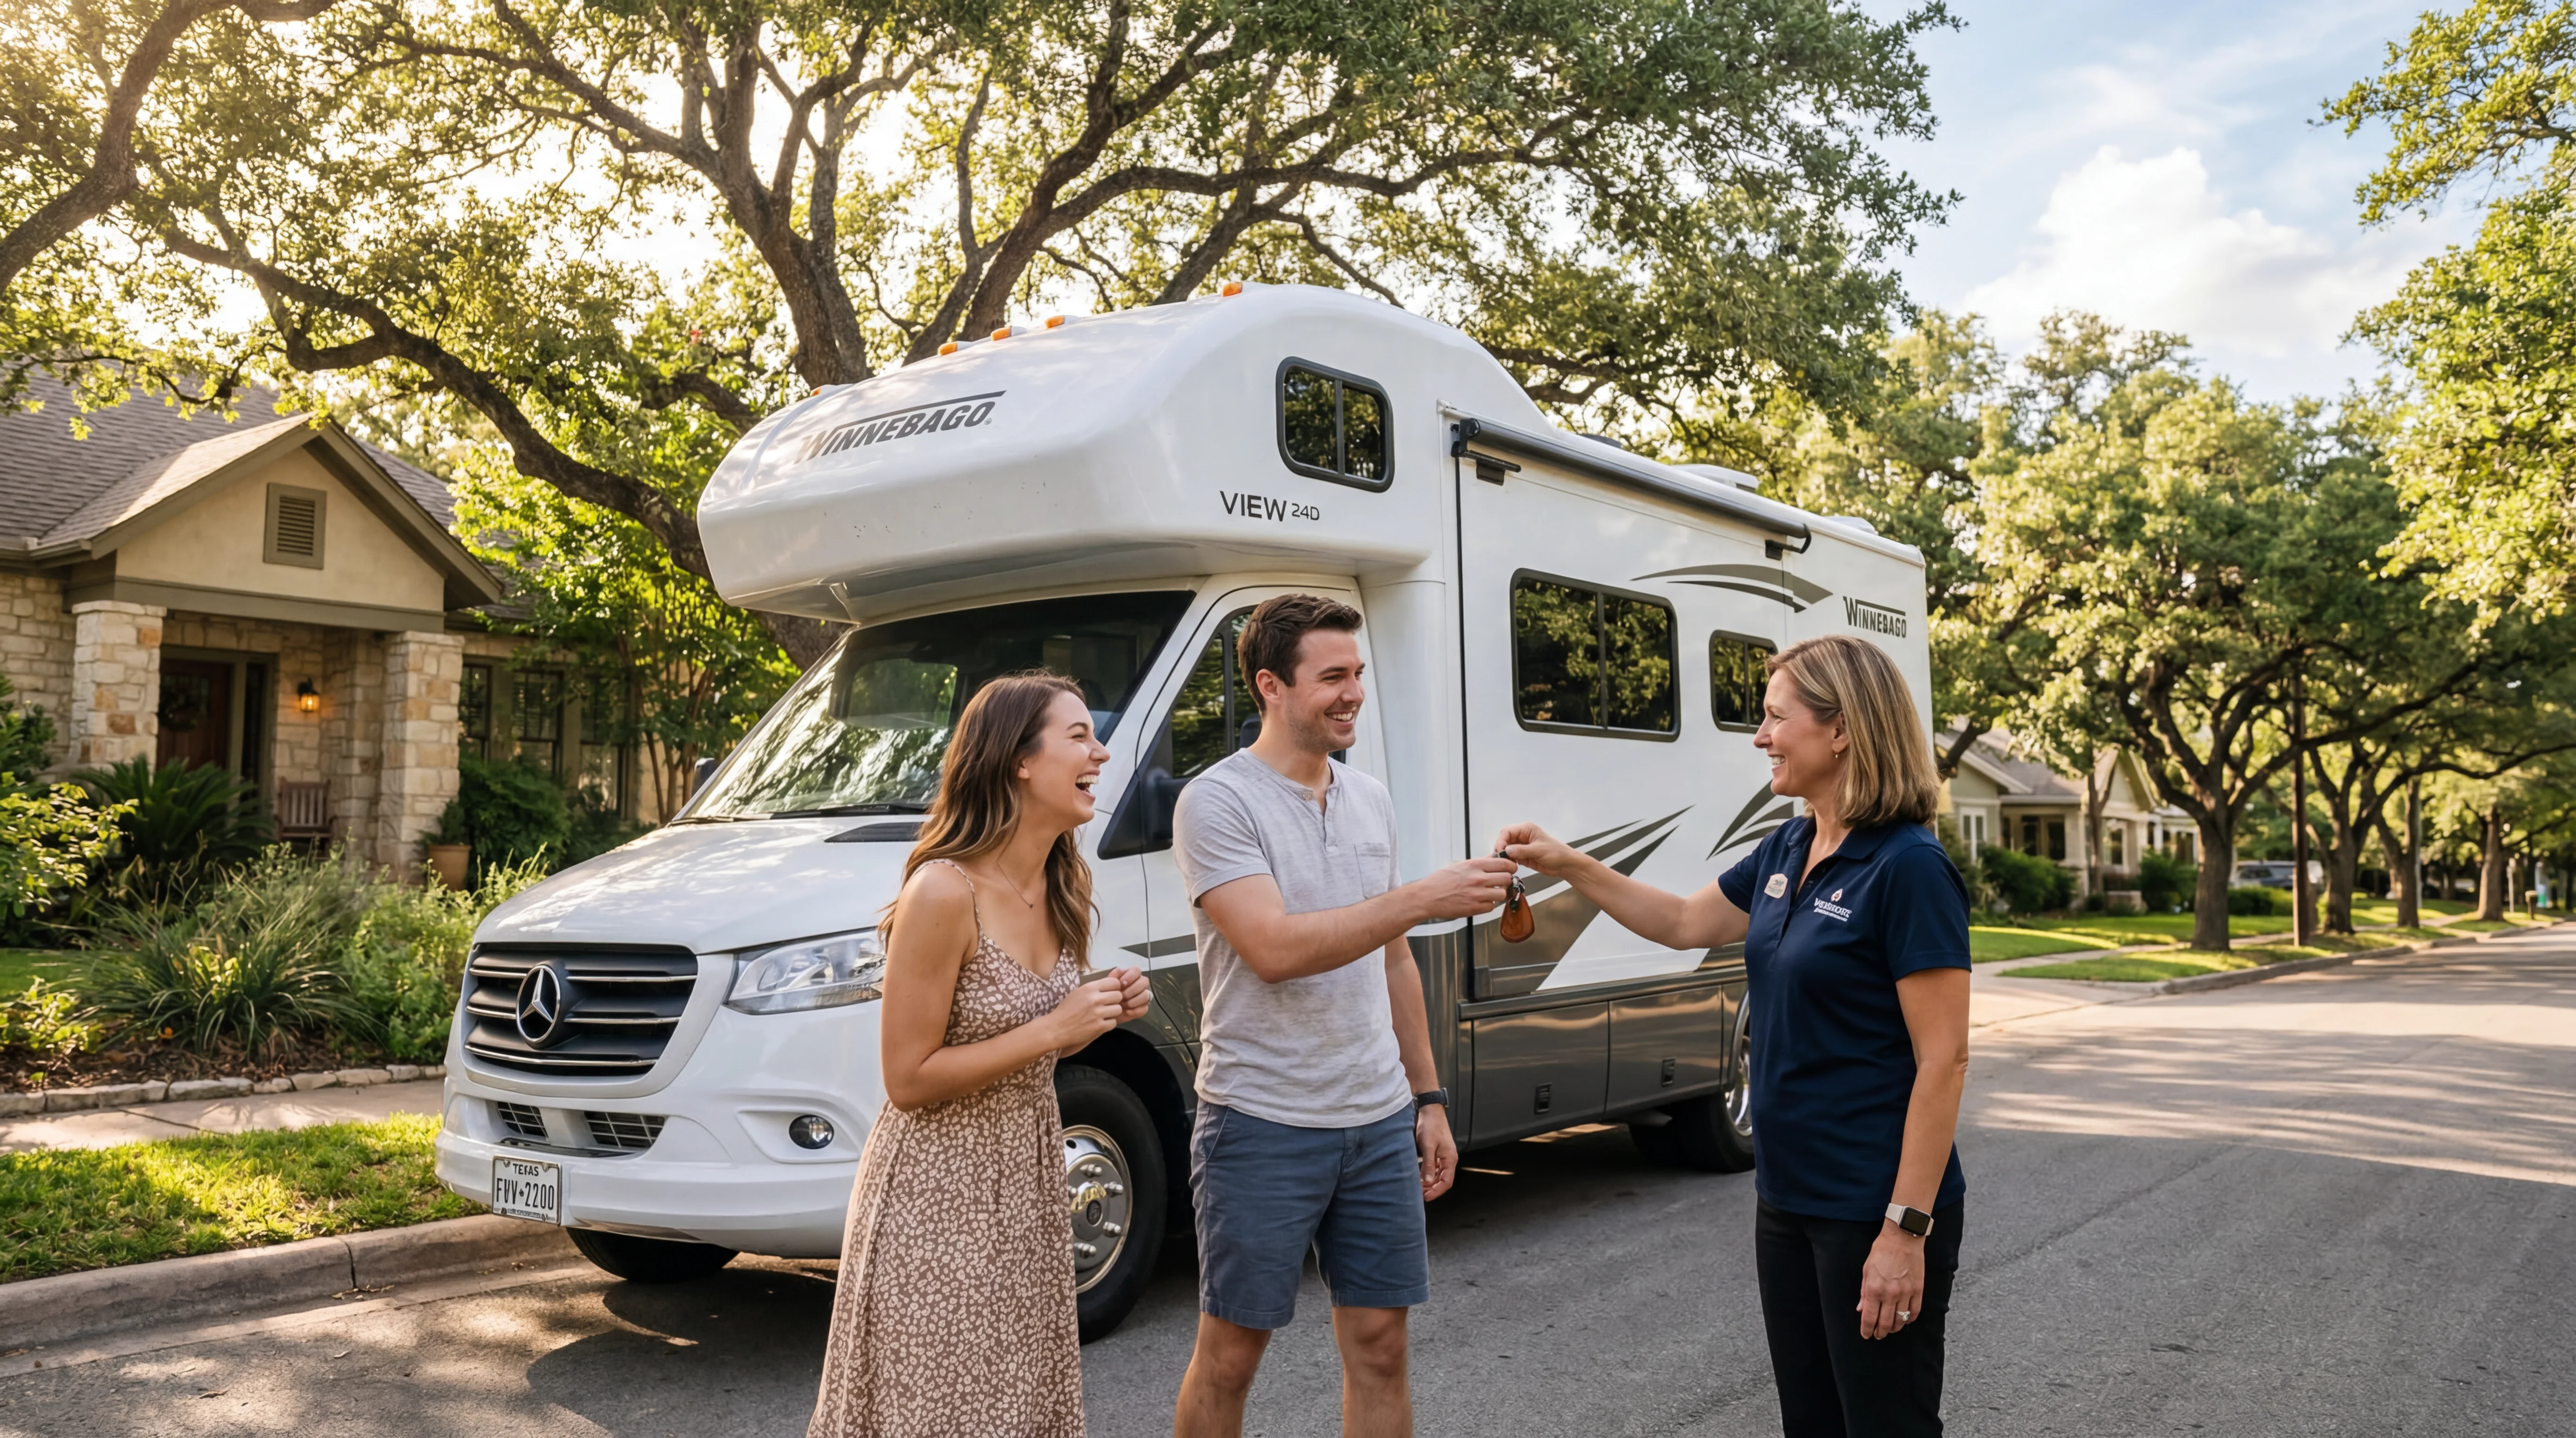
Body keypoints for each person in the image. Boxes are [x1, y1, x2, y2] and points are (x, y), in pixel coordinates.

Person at [1495, 634, 1971, 1438]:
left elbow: (1944, 1059)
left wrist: (1905, 1231)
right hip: (1786, 1200)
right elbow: (1684, 922)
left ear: (1843, 730)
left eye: (1775, 718)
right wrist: (1571, 865)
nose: (1759, 738)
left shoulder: (1908, 868)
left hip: (1872, 1208)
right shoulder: (1789, 845)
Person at [1170, 594, 1519, 1438]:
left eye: (1357, 674)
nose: (1353, 691)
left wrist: (1426, 1100)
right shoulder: (1216, 803)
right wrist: (1419, 898)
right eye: (1332, 676)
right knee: (1230, 1357)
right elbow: (1275, 949)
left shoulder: (1370, 800)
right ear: (1271, 686)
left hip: (1376, 1121)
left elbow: (1392, 957)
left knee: (1381, 1348)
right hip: (1261, 1120)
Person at [809, 672, 1153, 1438]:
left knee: (1015, 1404)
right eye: (1079, 736)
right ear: (1019, 761)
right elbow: (906, 1079)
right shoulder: (943, 891)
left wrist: (1101, 1009)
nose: (1102, 751)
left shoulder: (1060, 882)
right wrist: (1057, 1030)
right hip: (936, 1194)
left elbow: (1027, 1031)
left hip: (1027, 1183)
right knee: (941, 1412)